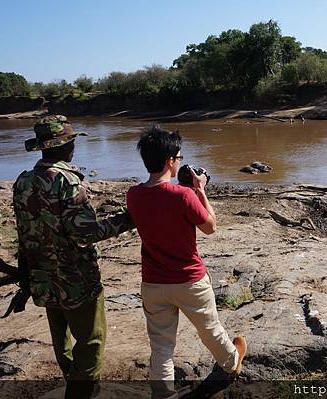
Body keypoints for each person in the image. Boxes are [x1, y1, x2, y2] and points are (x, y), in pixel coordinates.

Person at [13, 115, 135, 399]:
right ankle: (83, 392)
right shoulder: (68, 181)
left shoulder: (23, 181)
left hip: (42, 275)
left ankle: (75, 382)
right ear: (64, 146)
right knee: (91, 339)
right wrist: (128, 220)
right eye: (71, 142)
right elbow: (86, 234)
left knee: (61, 336)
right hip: (76, 278)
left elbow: (24, 232)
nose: (73, 148)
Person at [127, 126, 246, 399]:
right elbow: (210, 227)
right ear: (170, 160)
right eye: (179, 158)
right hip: (189, 280)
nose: (180, 162)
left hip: (154, 283)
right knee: (210, 329)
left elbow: (156, 201)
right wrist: (200, 191)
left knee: (161, 346)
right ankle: (230, 362)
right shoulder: (183, 195)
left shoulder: (133, 194)